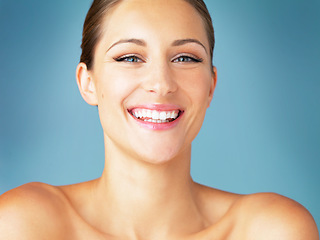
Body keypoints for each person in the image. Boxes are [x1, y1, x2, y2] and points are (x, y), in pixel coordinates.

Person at [0, 0, 318, 239]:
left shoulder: (271, 231)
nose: (162, 83)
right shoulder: (24, 224)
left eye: (185, 58)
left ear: (211, 85)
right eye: (130, 57)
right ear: (88, 82)